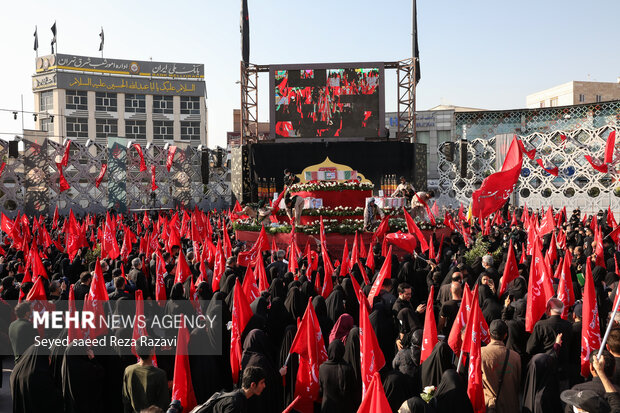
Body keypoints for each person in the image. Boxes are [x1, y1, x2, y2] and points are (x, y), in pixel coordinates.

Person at [526, 298, 573, 388]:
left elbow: (530, 348)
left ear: (548, 309)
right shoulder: (569, 325)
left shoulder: (541, 325)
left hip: (544, 369)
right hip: (563, 369)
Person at [480, 319, 521, 413]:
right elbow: (517, 383)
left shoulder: (480, 353)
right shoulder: (515, 357)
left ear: (488, 332)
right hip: (510, 406)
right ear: (506, 335)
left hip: (488, 406)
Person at [122, 341, 170, 413]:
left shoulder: (128, 370)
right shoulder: (160, 374)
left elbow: (126, 399)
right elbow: (164, 403)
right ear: (152, 351)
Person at [318, 340, 356, 413]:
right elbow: (353, 390)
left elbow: (321, 390)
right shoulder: (348, 368)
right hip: (345, 408)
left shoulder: (322, 368)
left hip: (327, 408)